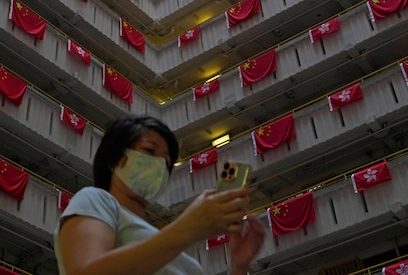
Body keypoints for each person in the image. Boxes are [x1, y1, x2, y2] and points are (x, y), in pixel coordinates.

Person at [55, 116, 264, 275]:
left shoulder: (165, 244)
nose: (160, 165)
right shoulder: (95, 199)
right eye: (149, 151)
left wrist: (238, 267)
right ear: (116, 159)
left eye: (166, 162)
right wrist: (189, 228)